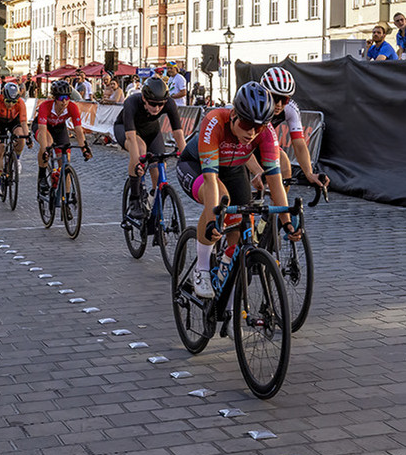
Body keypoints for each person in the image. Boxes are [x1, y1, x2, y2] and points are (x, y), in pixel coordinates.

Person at [176, 81, 288, 299]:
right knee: (221, 199)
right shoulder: (215, 121)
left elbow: (276, 182)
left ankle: (227, 282)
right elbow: (210, 181)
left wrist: (288, 222)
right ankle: (202, 269)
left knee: (240, 224)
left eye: (260, 126)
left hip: (234, 169)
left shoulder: (266, 133)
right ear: (235, 114)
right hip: (196, 166)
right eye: (247, 124)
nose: (253, 133)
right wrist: (212, 221)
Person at [113, 75, 188, 227]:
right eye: (153, 104)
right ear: (144, 98)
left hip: (151, 131)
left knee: (159, 167)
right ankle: (134, 199)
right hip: (126, 130)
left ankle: (154, 198)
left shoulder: (169, 103)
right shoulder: (131, 103)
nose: (157, 108)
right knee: (140, 149)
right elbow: (132, 139)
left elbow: (178, 134)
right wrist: (137, 163)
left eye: (161, 105)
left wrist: (188, 159)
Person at [255, 67, 328, 195]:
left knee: (284, 164)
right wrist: (257, 171)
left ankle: (277, 210)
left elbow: (299, 144)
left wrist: (309, 174)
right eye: (275, 97)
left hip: (262, 143)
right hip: (240, 145)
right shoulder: (254, 104)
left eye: (284, 99)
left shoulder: (290, 109)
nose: (279, 104)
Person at [33, 79, 91, 198]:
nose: (64, 101)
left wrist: (84, 148)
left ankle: (67, 197)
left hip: (59, 128)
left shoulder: (72, 107)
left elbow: (78, 130)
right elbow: (43, 132)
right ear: (55, 98)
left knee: (65, 162)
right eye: (61, 98)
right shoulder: (45, 106)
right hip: (44, 127)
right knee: (47, 143)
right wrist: (45, 150)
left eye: (67, 97)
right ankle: (42, 177)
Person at [0, 81, 28, 197]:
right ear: (3, 96)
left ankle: (17, 160)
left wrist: (27, 137)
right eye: (8, 101)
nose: (11, 104)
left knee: (21, 138)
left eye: (13, 102)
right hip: (0, 122)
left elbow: (24, 123)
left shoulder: (20, 103)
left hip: (13, 121)